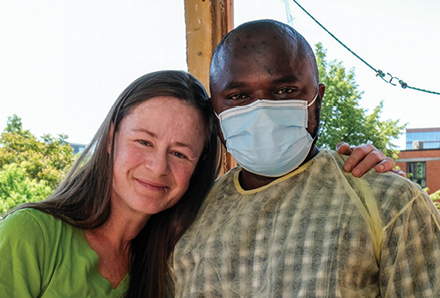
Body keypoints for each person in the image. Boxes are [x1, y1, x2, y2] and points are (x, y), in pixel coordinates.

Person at [173, 20, 440, 297]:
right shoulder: (188, 217)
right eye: (239, 96)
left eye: (285, 91)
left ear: (317, 99)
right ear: (215, 111)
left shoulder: (389, 201)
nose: (262, 112)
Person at [0, 70, 221, 298]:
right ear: (110, 138)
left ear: (197, 169)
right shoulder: (30, 234)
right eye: (144, 142)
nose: (158, 167)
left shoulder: (177, 266)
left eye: (179, 154)